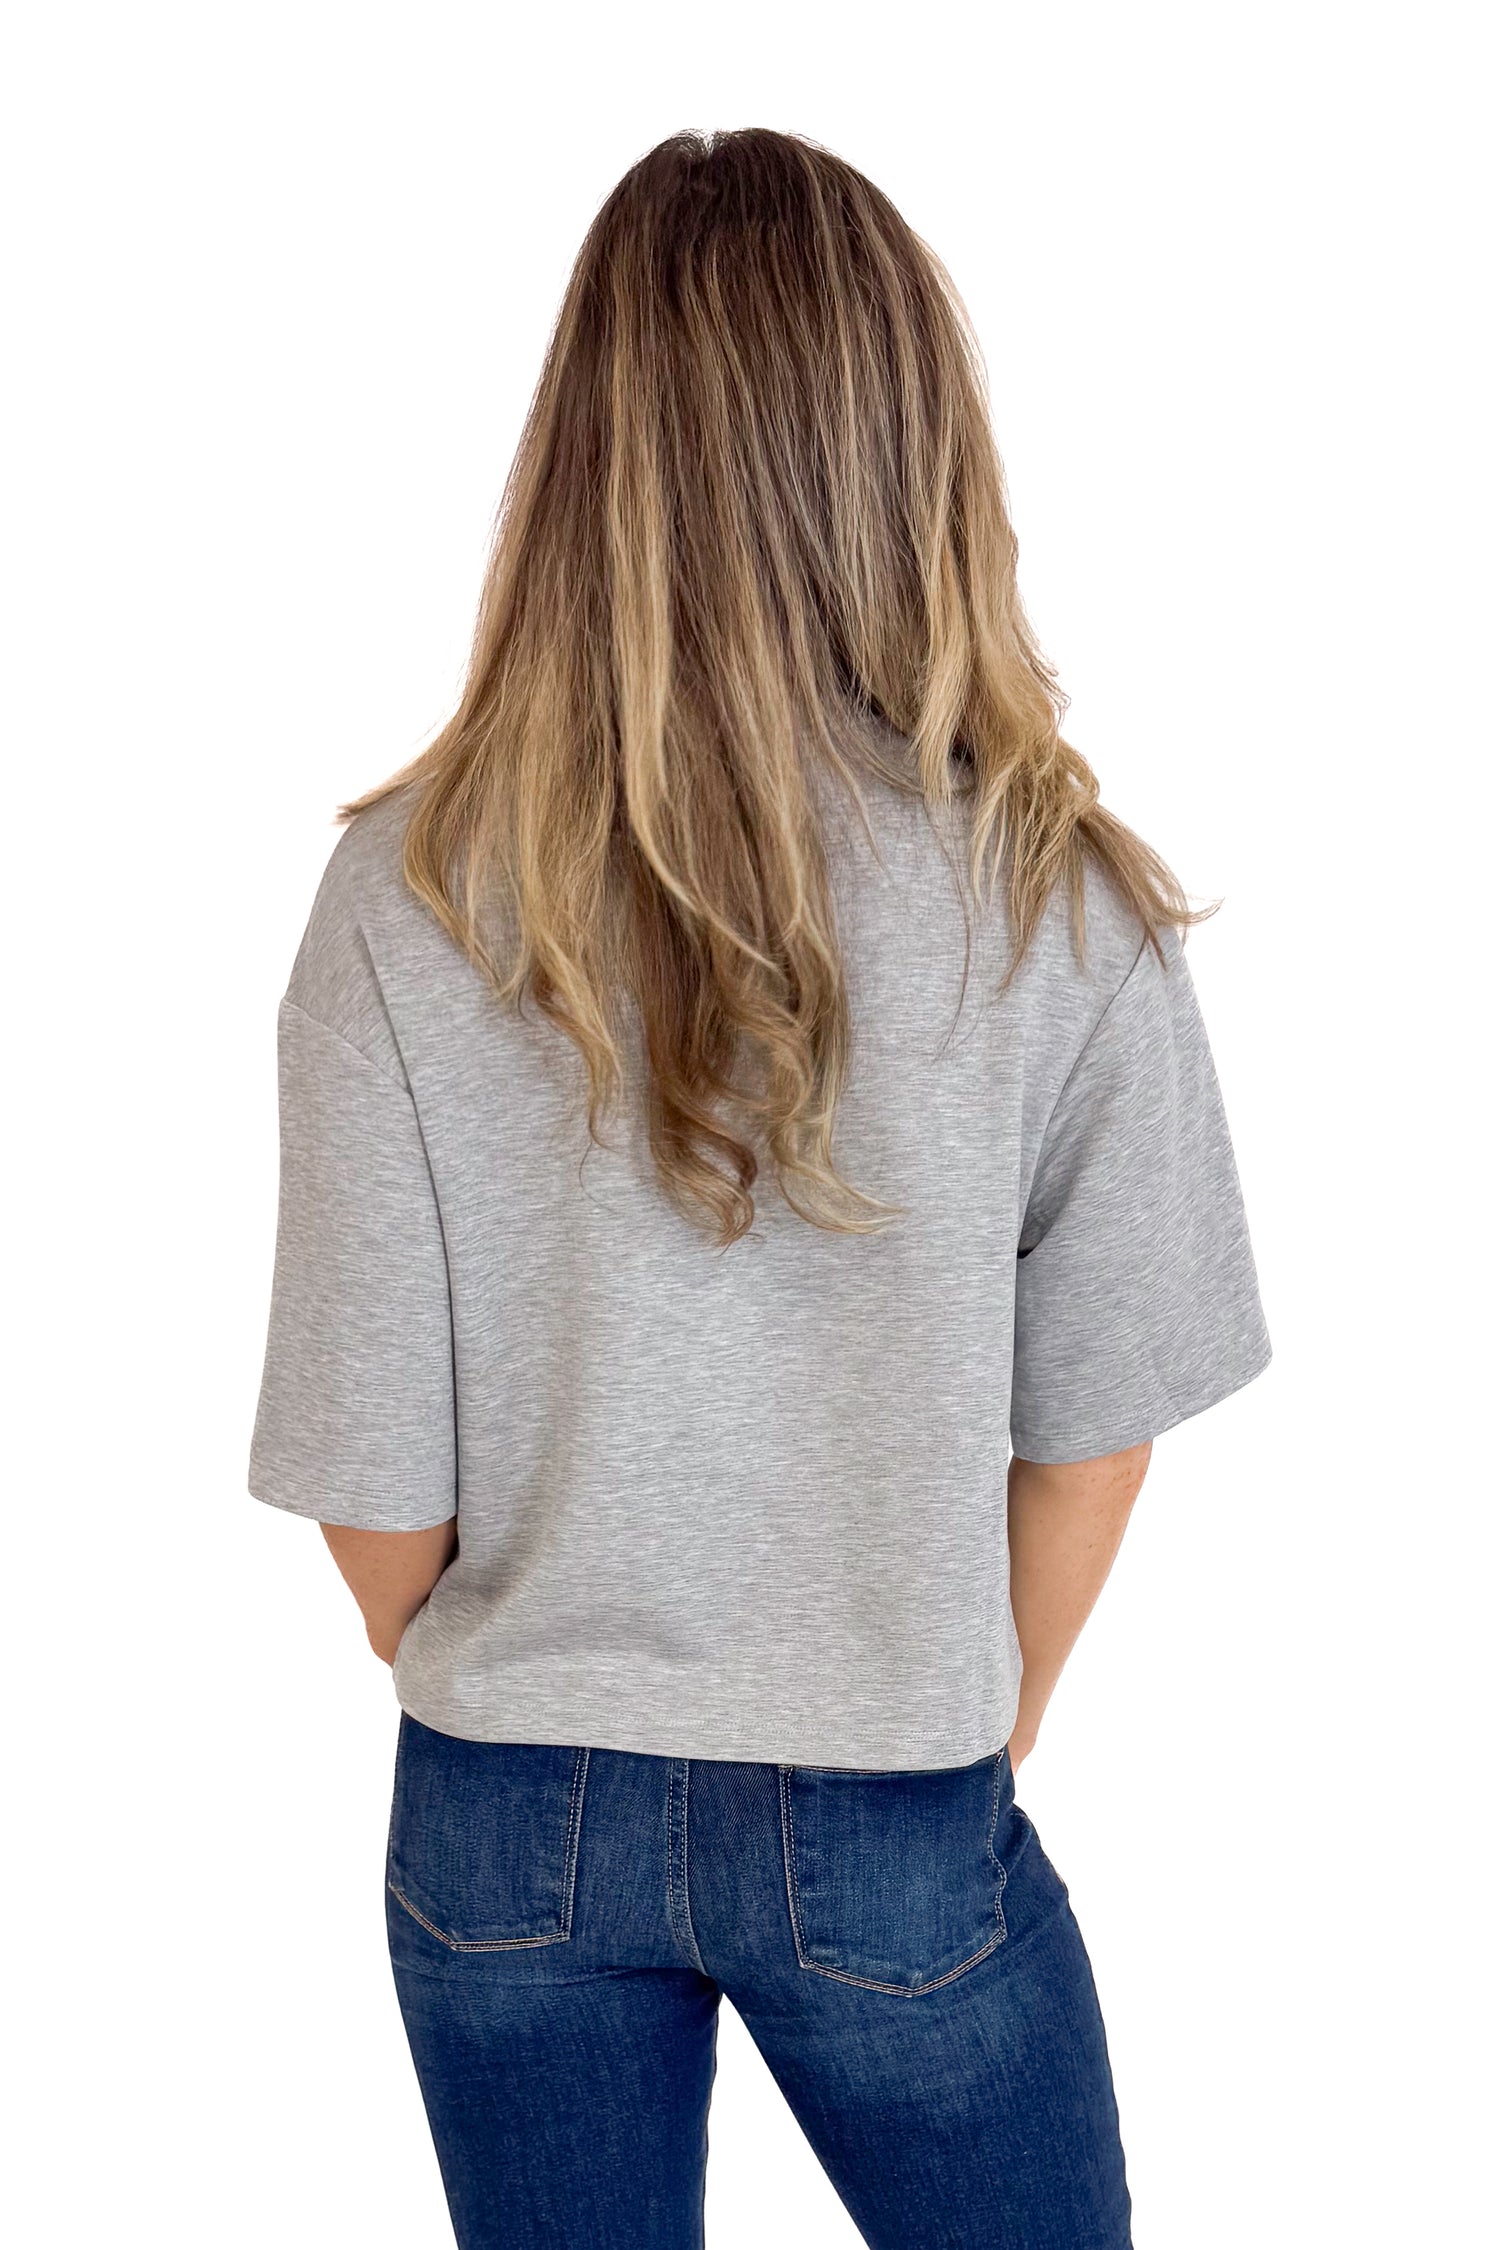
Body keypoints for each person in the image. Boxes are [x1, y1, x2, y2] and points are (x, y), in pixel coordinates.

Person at [248, 127, 1271, 2250]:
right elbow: (1098, 1437)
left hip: (505, 1811)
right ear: (915, 445)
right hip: (899, 1800)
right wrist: (973, 1708)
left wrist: (539, 1671)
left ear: (579, 458)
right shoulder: (1054, 905)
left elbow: (376, 1508)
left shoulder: (402, 899)